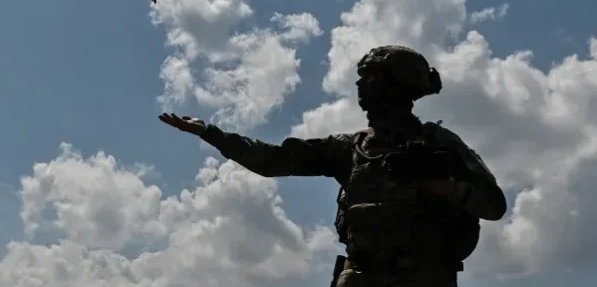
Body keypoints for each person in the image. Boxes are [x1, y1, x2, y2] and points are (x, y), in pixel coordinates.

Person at [159, 45, 507, 286]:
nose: (360, 85)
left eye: (372, 77)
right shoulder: (351, 148)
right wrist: (210, 133)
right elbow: (272, 160)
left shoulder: (439, 143)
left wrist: (446, 188)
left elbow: (494, 204)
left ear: (398, 84)